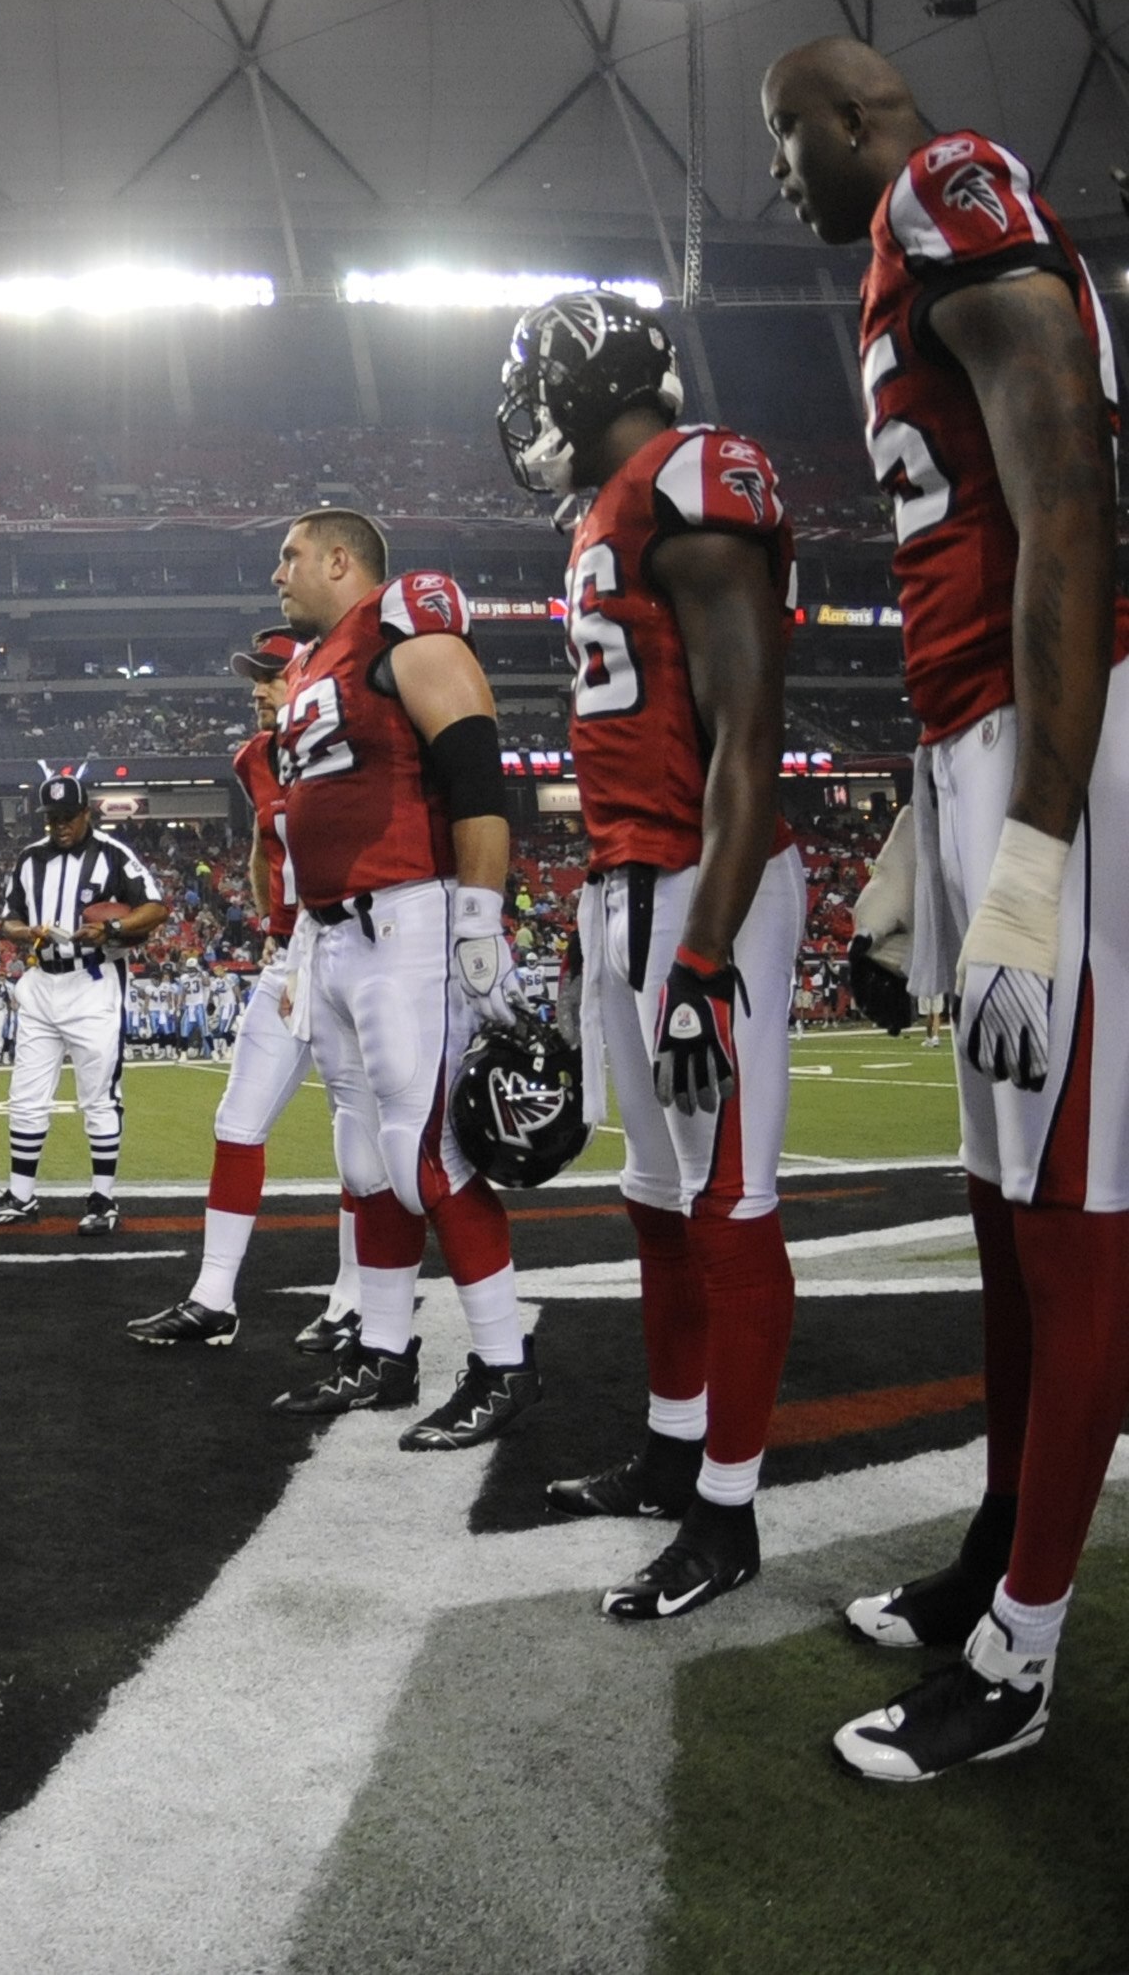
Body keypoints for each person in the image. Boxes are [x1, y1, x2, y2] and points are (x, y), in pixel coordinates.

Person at [764, 37, 1128, 1779]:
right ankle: (999, 1548)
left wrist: (1039, 843)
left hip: (1066, 754)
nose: (779, 172)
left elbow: (1068, 486)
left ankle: (1029, 1653)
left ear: (854, 117)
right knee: (1003, 1204)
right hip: (986, 747)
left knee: (1077, 1212)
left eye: (785, 135)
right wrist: (936, 820)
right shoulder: (902, 260)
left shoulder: (942, 185)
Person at [496, 291, 806, 1621]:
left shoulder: (690, 474)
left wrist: (705, 953)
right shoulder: (608, 507)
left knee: (729, 1201)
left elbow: (749, 727)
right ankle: (674, 1453)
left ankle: (727, 1515)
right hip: (627, 880)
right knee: (658, 1198)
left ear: (578, 382)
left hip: (704, 887)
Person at [263, 512, 544, 1449]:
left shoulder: (399, 618)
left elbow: (473, 762)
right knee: (367, 1164)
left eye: (293, 556)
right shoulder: (311, 663)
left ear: (342, 560)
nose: (279, 574)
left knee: (431, 1155)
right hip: (340, 932)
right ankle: (382, 1352)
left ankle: (504, 1362)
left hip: (409, 917)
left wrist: (478, 914)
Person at [130, 626, 365, 1350]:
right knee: (237, 1123)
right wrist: (273, 922)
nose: (257, 690)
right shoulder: (254, 758)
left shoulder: (353, 738)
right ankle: (213, 1300)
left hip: (358, 941)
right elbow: (269, 848)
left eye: (271, 675)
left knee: (359, 1137)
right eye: (254, 678)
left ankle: (355, 1300)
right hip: (293, 949)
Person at [0, 776, 164, 1234]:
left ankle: (102, 1199)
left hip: (92, 980)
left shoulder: (114, 855)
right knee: (26, 1098)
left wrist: (112, 931)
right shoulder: (30, 858)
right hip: (41, 981)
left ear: (86, 812)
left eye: (66, 817)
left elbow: (155, 908)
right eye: (51, 818)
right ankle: (21, 1196)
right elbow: (8, 920)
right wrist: (22, 932)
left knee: (98, 1097)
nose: (58, 826)